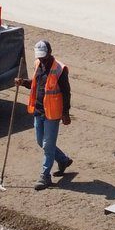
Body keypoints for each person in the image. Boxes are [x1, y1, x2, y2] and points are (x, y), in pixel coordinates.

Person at [20, 40, 73, 189]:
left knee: (48, 146)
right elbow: (36, 84)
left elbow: (66, 93)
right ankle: (62, 160)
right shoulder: (38, 64)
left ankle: (45, 176)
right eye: (40, 56)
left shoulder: (60, 69)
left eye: (44, 56)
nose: (42, 59)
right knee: (40, 141)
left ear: (49, 52)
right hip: (38, 110)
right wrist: (23, 82)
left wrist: (66, 113)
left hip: (52, 113)